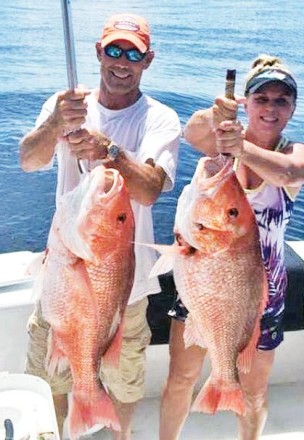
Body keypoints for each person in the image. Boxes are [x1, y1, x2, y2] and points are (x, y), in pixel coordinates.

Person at [20, 13, 181, 440]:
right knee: (48, 375)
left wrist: (106, 149)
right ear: (98, 52)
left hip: (126, 291)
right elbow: (29, 160)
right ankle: (59, 430)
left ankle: (118, 433)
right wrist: (56, 124)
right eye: (114, 50)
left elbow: (147, 191)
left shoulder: (161, 120)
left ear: (148, 60)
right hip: (64, 277)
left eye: (134, 53)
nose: (122, 61)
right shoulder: (67, 104)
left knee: (126, 383)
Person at [159, 54, 304, 440]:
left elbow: (290, 173)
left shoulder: (295, 154)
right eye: (262, 99)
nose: (271, 108)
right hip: (204, 278)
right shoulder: (225, 138)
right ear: (247, 103)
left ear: (292, 108)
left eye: (282, 100)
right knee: (181, 376)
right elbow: (192, 133)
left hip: (263, 294)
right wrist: (215, 116)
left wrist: (240, 149)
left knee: (254, 388)